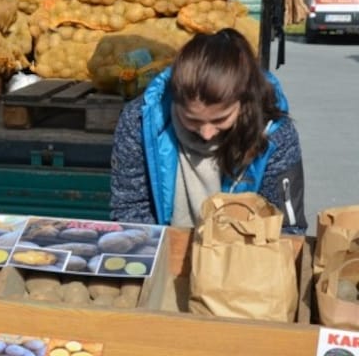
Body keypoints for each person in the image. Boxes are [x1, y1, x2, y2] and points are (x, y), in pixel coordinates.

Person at [109, 28, 306, 234]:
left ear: (243, 101)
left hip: (245, 256)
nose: (206, 133)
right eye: (192, 120)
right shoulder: (140, 121)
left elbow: (286, 226)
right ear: (174, 100)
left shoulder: (275, 133)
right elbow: (130, 208)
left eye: (220, 119)